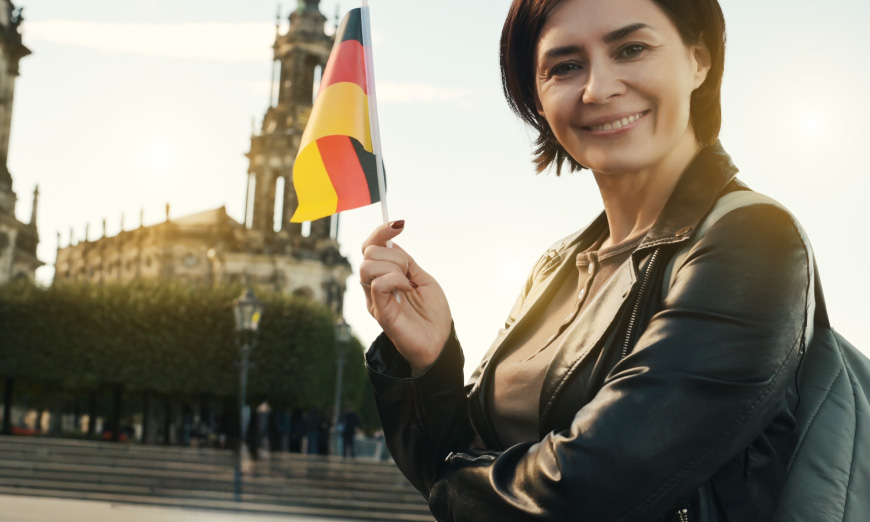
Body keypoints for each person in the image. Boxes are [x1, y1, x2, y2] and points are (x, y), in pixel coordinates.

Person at [360, 0, 811, 520]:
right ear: (537, 96)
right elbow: (464, 452)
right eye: (565, 66)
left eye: (632, 49)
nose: (598, 89)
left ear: (699, 60)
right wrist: (430, 362)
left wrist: (449, 482)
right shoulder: (556, 266)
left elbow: (590, 490)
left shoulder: (753, 240)